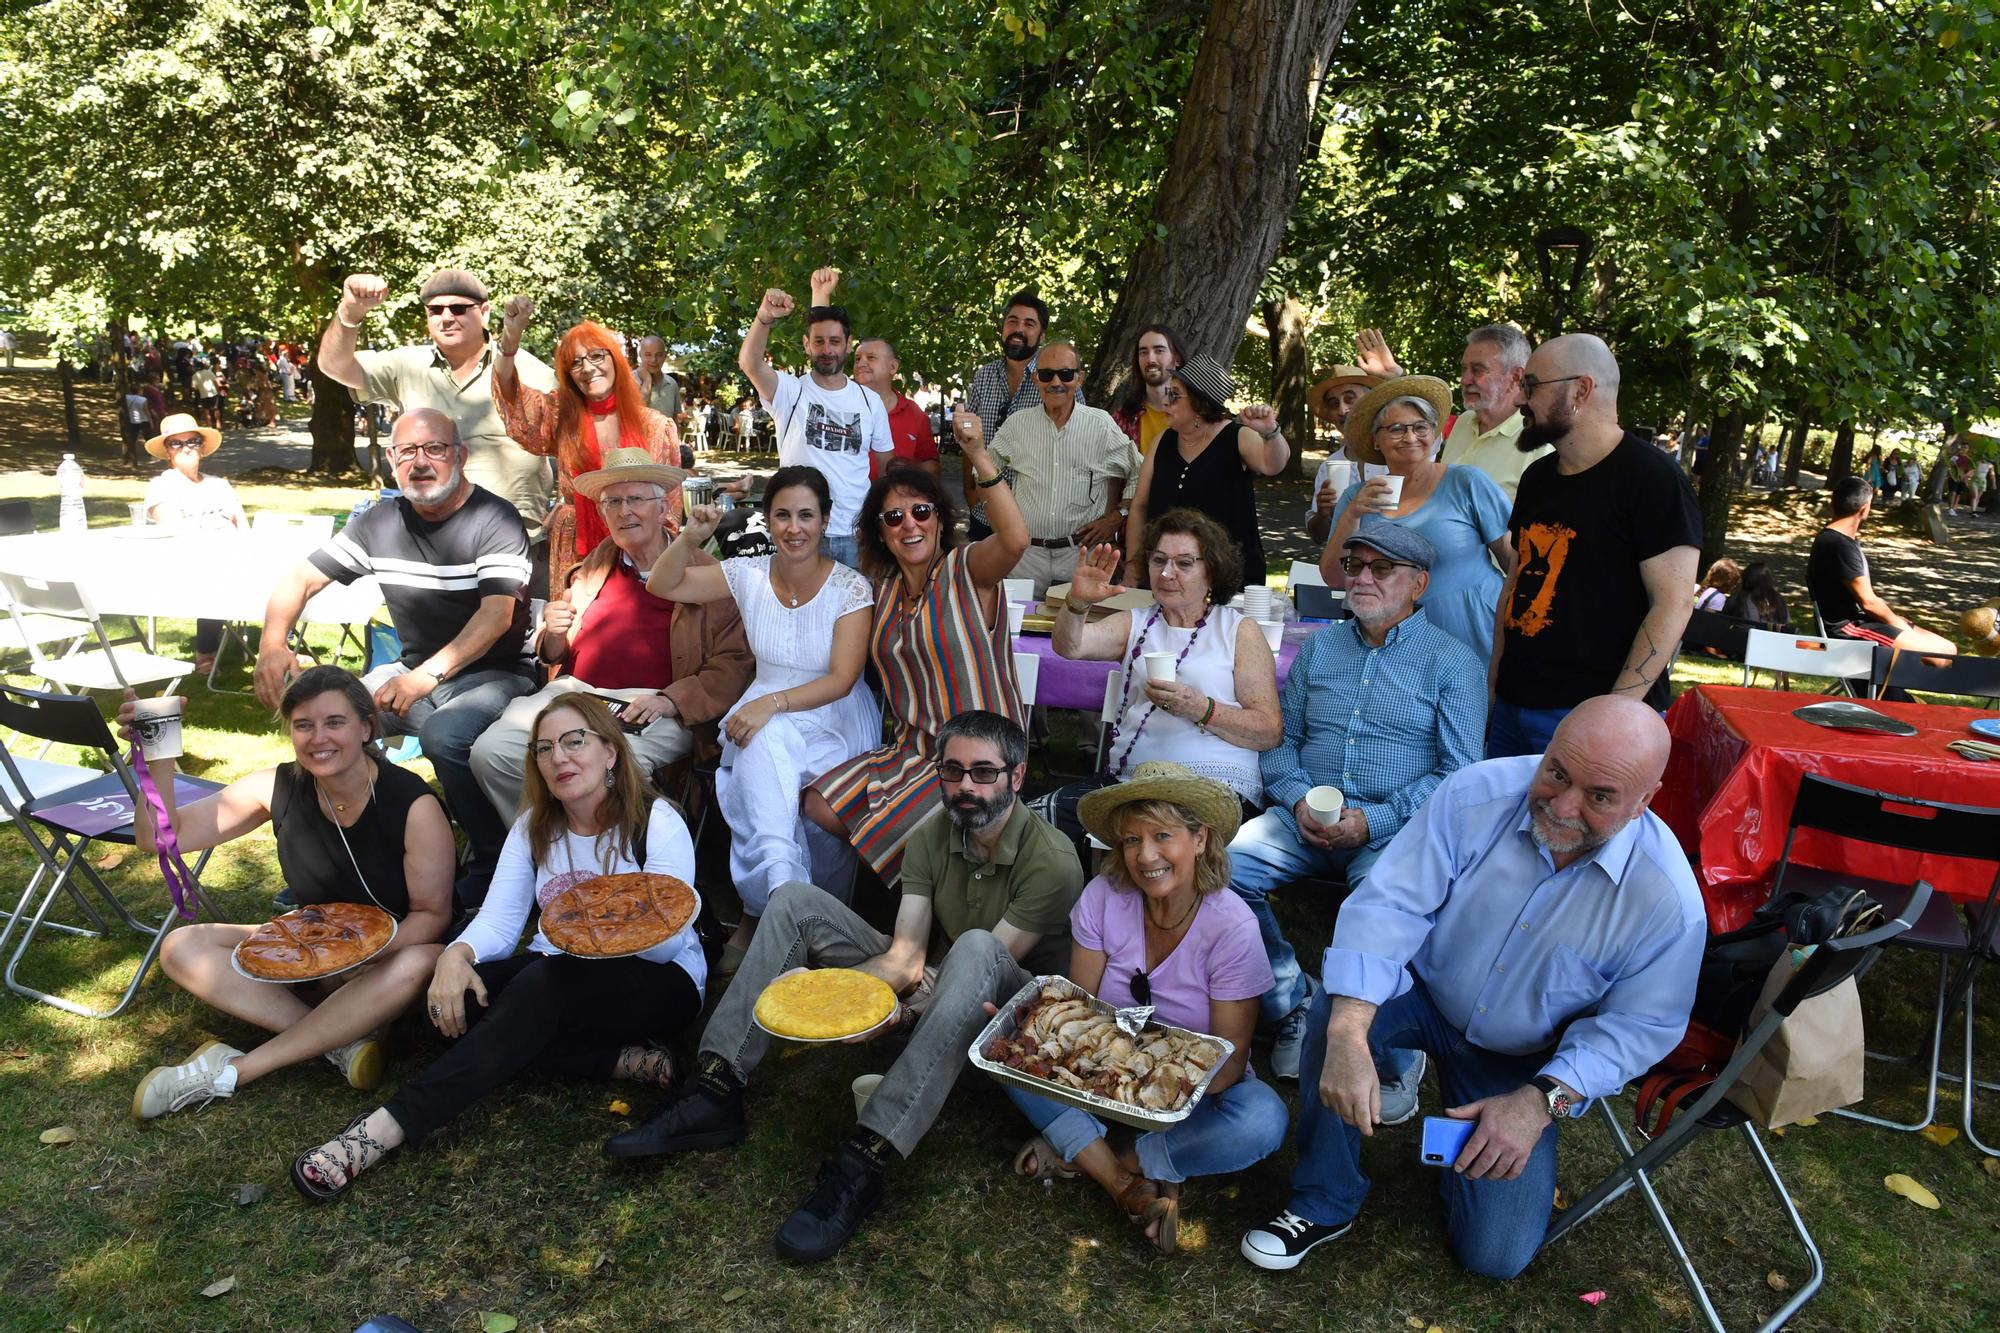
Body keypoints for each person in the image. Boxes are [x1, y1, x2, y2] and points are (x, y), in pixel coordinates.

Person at [1239, 697, 1704, 1279]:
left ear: (1645, 803)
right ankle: (1323, 1198)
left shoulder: (1667, 901)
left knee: (1495, 1256)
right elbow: (1391, 904)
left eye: (1599, 796)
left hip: (1522, 1059)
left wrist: (1540, 1103)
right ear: (1548, 747)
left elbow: (1640, 1027)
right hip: (1423, 992)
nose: (1562, 806)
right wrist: (1350, 1033)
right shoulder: (1474, 793)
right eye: (1557, 772)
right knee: (1337, 1012)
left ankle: (1466, 1149)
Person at [604, 711, 1084, 1263]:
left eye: (984, 773)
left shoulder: (1051, 859)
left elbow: (984, 972)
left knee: (976, 946)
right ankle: (714, 1088)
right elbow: (905, 959)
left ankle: (865, 1158)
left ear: (1017, 777)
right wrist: (823, 993)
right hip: (939, 981)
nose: (967, 787)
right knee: (792, 901)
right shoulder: (934, 832)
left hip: (1005, 1027)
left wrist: (862, 1006)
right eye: (953, 771)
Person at [288, 695, 707, 1201]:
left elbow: (665, 941)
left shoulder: (654, 821)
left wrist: (589, 947)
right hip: (556, 975)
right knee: (445, 1013)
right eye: (545, 749)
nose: (560, 758)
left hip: (659, 981)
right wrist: (453, 958)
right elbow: (501, 921)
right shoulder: (536, 827)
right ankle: (614, 1062)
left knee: (538, 986)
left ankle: (384, 1129)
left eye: (576, 742)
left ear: (610, 752)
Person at [123, 668, 456, 1119]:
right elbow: (158, 838)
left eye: (334, 722)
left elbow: (432, 914)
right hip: (312, 954)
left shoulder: (413, 805)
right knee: (184, 943)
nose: (319, 737)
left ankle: (237, 1071)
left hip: (387, 969)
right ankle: (340, 1043)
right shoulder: (275, 786)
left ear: (365, 728)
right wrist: (157, 750)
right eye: (303, 725)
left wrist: (359, 958)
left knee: (422, 958)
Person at [1232, 516, 1485, 1087]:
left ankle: (1390, 1050)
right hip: (1301, 823)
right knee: (1220, 870)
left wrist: (1377, 820)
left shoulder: (1452, 662)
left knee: (1379, 907)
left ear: (1418, 584)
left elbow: (1460, 773)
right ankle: (1292, 1001)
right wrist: (1298, 801)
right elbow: (1281, 745)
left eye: (1382, 567)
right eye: (1354, 565)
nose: (1363, 578)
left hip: (1395, 827)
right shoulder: (1318, 652)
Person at [255, 409, 536, 907]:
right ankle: (335, 855)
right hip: (413, 670)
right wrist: (272, 644)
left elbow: (495, 618)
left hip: (496, 673)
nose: (420, 462)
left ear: (460, 456)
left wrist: (424, 676)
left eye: (434, 449)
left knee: (446, 734)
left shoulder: (493, 518)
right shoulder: (379, 522)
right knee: (327, 722)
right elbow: (299, 578)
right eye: (407, 451)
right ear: (390, 459)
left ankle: (493, 862)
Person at [1005, 761, 1287, 1255]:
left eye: (1162, 836)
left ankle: (1111, 1157)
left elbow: (1228, 1064)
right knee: (1010, 1048)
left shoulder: (1233, 928)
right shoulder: (1103, 896)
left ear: (1200, 840)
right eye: (1132, 840)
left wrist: (1152, 1096)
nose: (1146, 855)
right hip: (1096, 1072)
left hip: (1188, 1094)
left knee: (1261, 1118)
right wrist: (1036, 1038)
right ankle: (1129, 1185)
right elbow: (1079, 1010)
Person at [641, 465, 878, 971]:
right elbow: (663, 585)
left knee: (766, 758)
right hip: (765, 709)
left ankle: (766, 910)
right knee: (766, 759)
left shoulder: (851, 588)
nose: (795, 528)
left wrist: (770, 704)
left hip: (831, 715)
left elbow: (841, 678)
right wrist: (691, 536)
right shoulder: (746, 574)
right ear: (768, 521)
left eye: (807, 516)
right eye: (783, 515)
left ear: (826, 520)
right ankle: (788, 909)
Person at [468, 448, 753, 819]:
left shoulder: (707, 575)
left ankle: (608, 866)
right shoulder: (593, 567)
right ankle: (545, 847)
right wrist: (553, 633)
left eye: (635, 499)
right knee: (492, 751)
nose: (624, 511)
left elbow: (732, 665)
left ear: (663, 509)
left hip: (651, 707)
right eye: (612, 502)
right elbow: (555, 652)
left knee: (605, 770)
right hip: (575, 694)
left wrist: (672, 700)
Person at [805, 446, 1030, 886]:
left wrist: (980, 456)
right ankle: (932, 882)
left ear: (940, 519)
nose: (910, 524)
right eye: (894, 518)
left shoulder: (965, 569)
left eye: (921, 511)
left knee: (889, 830)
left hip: (977, 757)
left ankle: (930, 899)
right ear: (881, 533)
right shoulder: (882, 591)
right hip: (910, 752)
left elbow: (1015, 540)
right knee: (817, 803)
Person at [1488, 335, 1702, 759]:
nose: (1519, 401)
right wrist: (1493, 683)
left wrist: (1616, 713)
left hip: (1595, 716)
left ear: (1580, 390)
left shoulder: (1654, 480)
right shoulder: (1538, 478)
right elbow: (1515, 582)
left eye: (1531, 386)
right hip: (1514, 706)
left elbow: (1673, 604)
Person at [1035, 513, 1281, 854]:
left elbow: (1268, 730)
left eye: (1184, 563)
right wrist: (1077, 604)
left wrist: (1200, 708)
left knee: (1156, 835)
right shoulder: (1135, 623)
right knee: (1035, 824)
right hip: (1133, 784)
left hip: (1215, 790)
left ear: (1212, 570)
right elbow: (1070, 646)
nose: (1167, 573)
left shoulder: (1239, 631)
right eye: (1159, 560)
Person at [315, 269, 560, 591]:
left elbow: (573, 442)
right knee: (431, 642)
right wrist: (350, 313)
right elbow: (335, 367)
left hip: (514, 547)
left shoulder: (531, 372)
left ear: (484, 312)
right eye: (435, 310)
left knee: (516, 639)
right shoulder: (406, 365)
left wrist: (564, 506)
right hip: (429, 550)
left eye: (459, 309)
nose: (446, 317)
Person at [491, 297, 684, 593]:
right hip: (576, 549)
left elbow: (669, 506)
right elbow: (512, 398)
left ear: (615, 361)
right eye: (576, 363)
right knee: (576, 630)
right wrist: (511, 335)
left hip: (641, 547)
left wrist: (658, 559)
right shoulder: (560, 416)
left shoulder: (655, 426)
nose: (588, 368)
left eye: (596, 356)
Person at [1317, 376, 1514, 662]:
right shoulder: (1356, 497)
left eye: (1421, 427)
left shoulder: (1466, 482)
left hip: (1474, 632)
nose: (1410, 437)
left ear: (1436, 436)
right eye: (1396, 429)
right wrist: (1353, 514)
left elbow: (1514, 560)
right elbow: (1333, 578)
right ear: (1376, 439)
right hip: (1394, 644)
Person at [734, 278, 893, 569]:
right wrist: (764, 317)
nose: (827, 349)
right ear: (807, 345)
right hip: (801, 534)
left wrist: (877, 524)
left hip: (855, 535)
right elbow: (750, 363)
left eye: (835, 341)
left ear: (847, 345)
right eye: (818, 341)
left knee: (855, 613)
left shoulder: (870, 402)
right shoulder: (790, 391)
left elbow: (885, 471)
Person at [973, 341, 1139, 596]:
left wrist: (1118, 517)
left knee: (1076, 630)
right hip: (1026, 556)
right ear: (1035, 379)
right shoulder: (1017, 425)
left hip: (1080, 555)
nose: (1056, 382)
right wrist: (1003, 526)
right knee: (1020, 629)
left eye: (1066, 373)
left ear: (1079, 379)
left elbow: (1138, 470)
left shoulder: (1100, 425)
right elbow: (983, 475)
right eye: (1046, 374)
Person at [1124, 354, 1287, 588]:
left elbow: (1273, 464)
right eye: (1167, 393)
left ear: (1200, 404)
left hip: (1225, 580)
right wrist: (1133, 564)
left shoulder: (1237, 436)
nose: (1165, 402)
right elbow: (1140, 506)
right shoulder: (1163, 441)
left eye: (1174, 395)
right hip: (1166, 576)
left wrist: (1271, 432)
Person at [1353, 323, 1553, 502]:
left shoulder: (1541, 443)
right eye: (1464, 369)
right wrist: (1396, 377)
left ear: (1515, 377)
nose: (1465, 380)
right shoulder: (1465, 422)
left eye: (1478, 370)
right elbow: (1420, 413)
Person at [141, 412, 246, 675]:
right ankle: (206, 655)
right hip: (185, 563)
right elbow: (174, 530)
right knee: (215, 572)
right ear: (167, 451)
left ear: (202, 447)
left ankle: (279, 644)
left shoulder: (219, 485)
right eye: (176, 443)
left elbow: (243, 528)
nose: (186, 447)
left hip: (230, 556)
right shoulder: (161, 486)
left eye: (193, 441)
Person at [1805, 476, 1956, 655]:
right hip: (1848, 629)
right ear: (1864, 509)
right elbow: (1869, 602)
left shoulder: (1839, 539)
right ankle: (1884, 683)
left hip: (1864, 620)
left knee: (1949, 650)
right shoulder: (1838, 544)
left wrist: (1897, 622)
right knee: (1938, 657)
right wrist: (1900, 626)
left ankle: (1894, 683)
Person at [964, 289, 1055, 538]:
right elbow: (968, 438)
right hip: (985, 512)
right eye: (1012, 321)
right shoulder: (985, 375)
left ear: (1041, 335)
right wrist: (970, 495)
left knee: (1025, 579)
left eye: (1029, 323)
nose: (1019, 329)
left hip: (1033, 515)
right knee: (983, 578)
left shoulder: (1056, 379)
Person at [1303, 361, 1385, 547]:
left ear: (1370, 401)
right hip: (1346, 568)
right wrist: (1323, 515)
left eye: (1350, 399)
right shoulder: (1331, 465)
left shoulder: (1396, 453)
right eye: (1334, 404)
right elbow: (1319, 537)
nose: (1342, 410)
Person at [853, 335, 940, 479]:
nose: (861, 363)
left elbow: (931, 466)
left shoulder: (914, 414)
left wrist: (906, 474)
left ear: (893, 367)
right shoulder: (838, 406)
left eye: (871, 357)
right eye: (857, 359)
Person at [1110, 324, 1186, 457]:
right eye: (1143, 352)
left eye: (1159, 351)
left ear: (1177, 359)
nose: (1150, 359)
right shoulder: (1123, 419)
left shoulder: (1193, 415)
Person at [1723, 561, 1790, 630]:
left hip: (1744, 638)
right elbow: (1786, 622)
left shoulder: (1740, 597)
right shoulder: (1778, 599)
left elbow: (1722, 618)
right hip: (1773, 639)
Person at [634, 334, 682, 423]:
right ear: (640, 355)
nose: (653, 360)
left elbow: (674, 422)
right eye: (648, 355)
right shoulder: (628, 380)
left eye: (658, 355)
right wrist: (647, 381)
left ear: (664, 356)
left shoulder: (672, 384)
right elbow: (635, 416)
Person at [190, 355, 221, 430]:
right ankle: (218, 424)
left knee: (206, 410)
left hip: (203, 394)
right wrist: (218, 391)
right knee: (216, 409)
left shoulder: (195, 376)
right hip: (213, 393)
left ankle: (209, 425)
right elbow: (215, 382)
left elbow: (194, 387)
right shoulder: (209, 372)